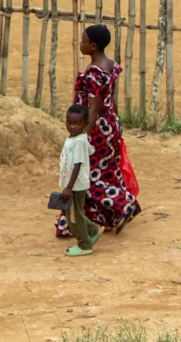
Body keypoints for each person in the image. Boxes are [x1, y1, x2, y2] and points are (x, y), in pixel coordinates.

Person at [56, 25, 140, 237]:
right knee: (108, 172)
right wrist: (117, 122)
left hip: (97, 129)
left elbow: (93, 110)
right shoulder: (109, 64)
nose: (80, 44)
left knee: (86, 175)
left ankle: (125, 204)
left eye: (83, 41)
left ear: (93, 46)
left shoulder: (94, 73)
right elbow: (110, 98)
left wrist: (82, 136)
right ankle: (106, 218)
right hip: (110, 125)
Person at [58, 104, 102, 257]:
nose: (73, 126)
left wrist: (69, 187)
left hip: (76, 185)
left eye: (77, 124)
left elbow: (77, 165)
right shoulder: (79, 137)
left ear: (85, 123)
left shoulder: (78, 141)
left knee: (74, 216)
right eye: (69, 123)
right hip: (74, 184)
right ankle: (93, 231)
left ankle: (84, 245)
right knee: (74, 212)